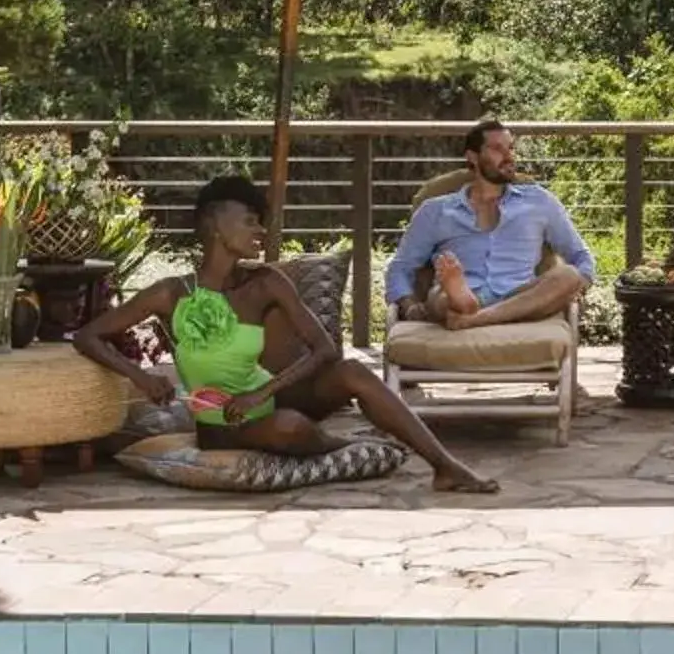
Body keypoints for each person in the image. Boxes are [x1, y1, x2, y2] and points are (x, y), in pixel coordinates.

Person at [76, 173, 500, 493]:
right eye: (250, 222)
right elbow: (88, 336)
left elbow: (325, 350)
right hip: (222, 422)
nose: (260, 231)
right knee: (288, 428)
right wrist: (142, 377)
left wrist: (263, 392)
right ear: (215, 226)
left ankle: (445, 465)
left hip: (267, 396)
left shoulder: (265, 283)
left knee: (351, 372)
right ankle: (338, 443)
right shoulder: (170, 293)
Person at [384, 120, 595, 331]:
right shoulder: (435, 210)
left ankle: (476, 318)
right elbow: (400, 267)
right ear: (472, 157)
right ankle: (463, 298)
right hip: (459, 297)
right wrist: (410, 307)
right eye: (497, 149)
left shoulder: (539, 201)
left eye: (510, 148)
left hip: (520, 296)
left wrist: (578, 287)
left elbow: (581, 258)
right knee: (440, 297)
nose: (509, 156)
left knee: (568, 275)